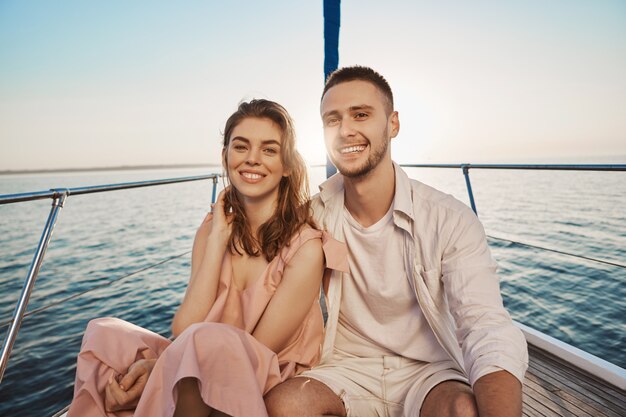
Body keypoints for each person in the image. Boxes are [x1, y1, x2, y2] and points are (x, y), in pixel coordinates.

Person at [264, 66, 528, 417]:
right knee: (286, 405)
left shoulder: (448, 219)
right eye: (332, 119)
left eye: (361, 114)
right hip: (344, 367)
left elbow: (486, 327)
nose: (345, 130)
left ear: (393, 124)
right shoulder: (312, 216)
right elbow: (260, 265)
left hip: (429, 370)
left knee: (462, 410)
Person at [66, 99, 348, 417]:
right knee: (105, 334)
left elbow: (255, 349)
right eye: (241, 147)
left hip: (268, 372)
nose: (252, 159)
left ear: (286, 166)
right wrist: (216, 242)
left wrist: (159, 369)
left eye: (269, 150)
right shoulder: (211, 230)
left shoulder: (306, 249)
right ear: (225, 156)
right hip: (199, 354)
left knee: (206, 343)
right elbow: (185, 326)